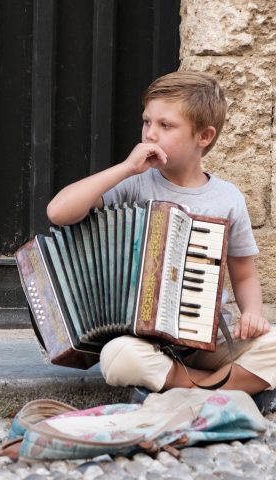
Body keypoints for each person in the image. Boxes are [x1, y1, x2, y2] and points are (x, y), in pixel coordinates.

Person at [46, 71, 276, 396]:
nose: (150, 134)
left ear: (204, 136)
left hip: (208, 338)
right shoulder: (135, 185)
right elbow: (59, 212)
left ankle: (182, 383)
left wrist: (252, 314)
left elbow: (243, 275)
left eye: (165, 126)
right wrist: (125, 168)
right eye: (146, 122)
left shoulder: (227, 198)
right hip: (144, 340)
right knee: (117, 357)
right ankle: (221, 385)